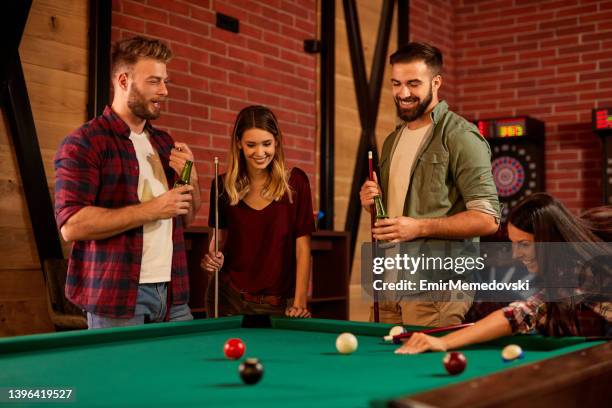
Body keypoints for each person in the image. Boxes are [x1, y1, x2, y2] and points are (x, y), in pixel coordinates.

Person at [54, 36, 201, 328]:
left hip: (174, 296)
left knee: (179, 374)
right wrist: (153, 209)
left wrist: (193, 180)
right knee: (119, 376)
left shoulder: (163, 142)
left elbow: (186, 218)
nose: (164, 91)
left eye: (165, 81)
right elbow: (72, 225)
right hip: (117, 299)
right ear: (123, 81)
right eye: (155, 82)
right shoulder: (85, 142)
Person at [359, 42, 500, 327]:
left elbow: (488, 219)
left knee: (421, 371)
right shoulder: (392, 141)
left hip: (436, 288)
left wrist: (420, 227)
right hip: (388, 282)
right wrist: (371, 201)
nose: (403, 93)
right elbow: (397, 212)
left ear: (436, 82)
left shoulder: (461, 136)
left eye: (413, 83)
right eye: (396, 83)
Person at [396, 193, 612, 354]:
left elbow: (520, 314)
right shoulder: (580, 239)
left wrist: (444, 342)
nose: (516, 254)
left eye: (524, 244)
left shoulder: (581, 268)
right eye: (513, 244)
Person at [201, 105, 315, 318]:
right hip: (228, 299)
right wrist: (211, 258)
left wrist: (300, 301)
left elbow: (303, 249)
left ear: (277, 142)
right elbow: (218, 240)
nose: (260, 153)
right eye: (251, 145)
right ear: (239, 144)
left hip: (278, 304)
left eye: (267, 144)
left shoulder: (296, 184)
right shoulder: (222, 184)